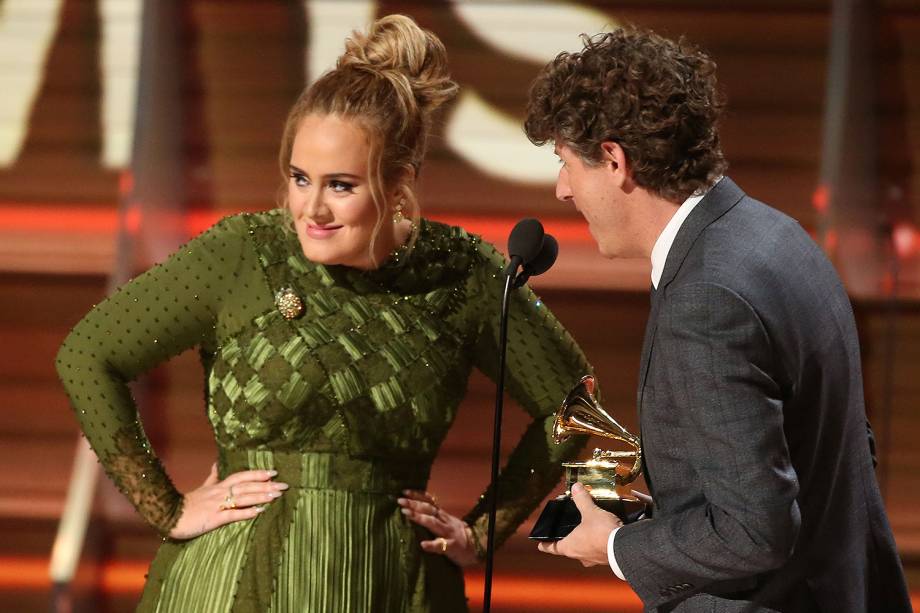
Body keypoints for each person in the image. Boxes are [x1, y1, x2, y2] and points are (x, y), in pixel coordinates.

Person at [56, 15, 593, 612]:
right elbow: (87, 354)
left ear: (398, 184)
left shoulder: (462, 273)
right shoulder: (244, 252)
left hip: (389, 582)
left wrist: (485, 529)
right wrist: (166, 506)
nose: (310, 208)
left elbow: (572, 401)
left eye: (340, 185)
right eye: (299, 177)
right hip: (230, 582)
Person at [524, 25, 912, 613]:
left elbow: (754, 532)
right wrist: (665, 516)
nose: (561, 190)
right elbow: (830, 454)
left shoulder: (706, 300)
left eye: (565, 164)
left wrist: (616, 545)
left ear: (614, 160)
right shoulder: (775, 234)